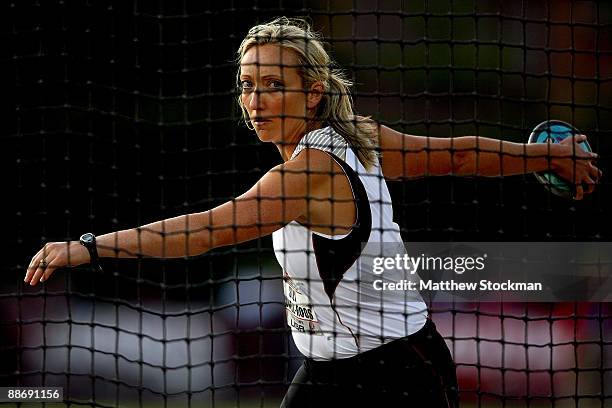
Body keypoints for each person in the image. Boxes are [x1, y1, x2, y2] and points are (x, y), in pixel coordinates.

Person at [25, 17, 601, 408]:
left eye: (273, 84)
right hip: (334, 369)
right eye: (247, 85)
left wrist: (90, 245)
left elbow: (202, 232)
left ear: (315, 92)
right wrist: (543, 156)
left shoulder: (306, 174)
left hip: (395, 376)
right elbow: (458, 154)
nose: (255, 100)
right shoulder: (357, 141)